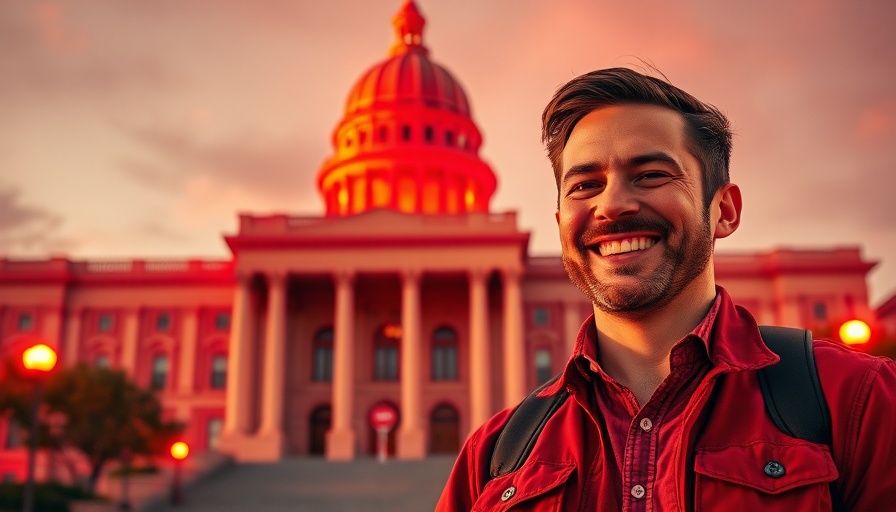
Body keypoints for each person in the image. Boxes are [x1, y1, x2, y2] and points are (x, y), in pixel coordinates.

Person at [435, 67, 896, 511]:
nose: (611, 205)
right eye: (585, 184)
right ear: (560, 225)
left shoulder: (858, 402)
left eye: (651, 174)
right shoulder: (494, 457)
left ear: (725, 211)